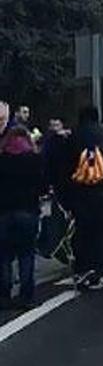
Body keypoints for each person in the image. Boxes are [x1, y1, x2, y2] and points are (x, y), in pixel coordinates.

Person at [67, 106, 103, 290]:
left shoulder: (73, 136)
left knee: (81, 230)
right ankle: (96, 269)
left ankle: (81, 268)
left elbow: (64, 165)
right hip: (102, 190)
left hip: (79, 190)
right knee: (99, 232)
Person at [0, 127, 45, 309]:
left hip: (3, 211)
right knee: (26, 255)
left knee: (3, 256)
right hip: (28, 211)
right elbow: (42, 186)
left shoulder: (2, 159)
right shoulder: (34, 160)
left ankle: (4, 294)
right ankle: (26, 295)